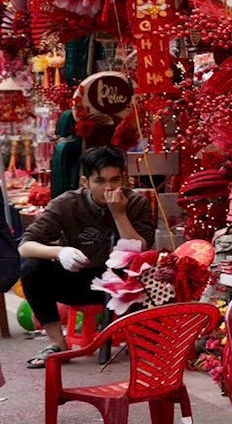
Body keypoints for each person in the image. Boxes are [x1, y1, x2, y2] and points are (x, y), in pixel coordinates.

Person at [21, 145, 169, 352]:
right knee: (32, 268)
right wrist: (60, 252)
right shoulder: (66, 204)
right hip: (79, 279)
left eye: (115, 180)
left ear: (124, 179)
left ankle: (144, 337)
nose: (108, 187)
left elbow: (141, 249)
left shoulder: (136, 203)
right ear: (85, 182)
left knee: (161, 270)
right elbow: (25, 246)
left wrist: (119, 214)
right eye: (100, 181)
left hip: (125, 284)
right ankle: (57, 343)